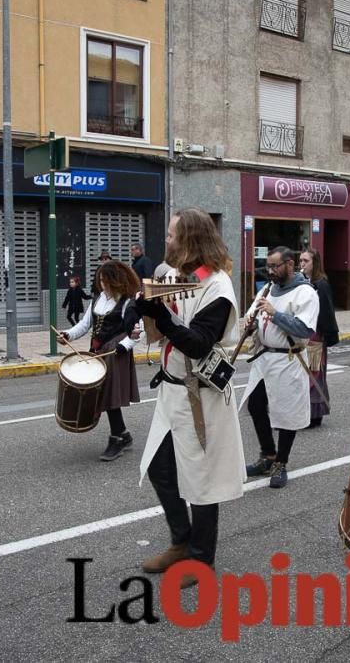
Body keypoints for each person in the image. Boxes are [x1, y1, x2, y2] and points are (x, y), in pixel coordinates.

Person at [134, 207, 246, 589]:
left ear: (190, 240)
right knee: (159, 467)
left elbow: (198, 344)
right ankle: (181, 542)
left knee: (202, 481)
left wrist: (161, 318)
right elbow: (158, 326)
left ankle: (202, 560)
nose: (165, 241)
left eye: (170, 236)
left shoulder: (218, 287)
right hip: (171, 393)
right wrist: (140, 311)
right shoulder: (171, 276)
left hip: (202, 398)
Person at [240, 247, 319, 488]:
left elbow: (305, 329)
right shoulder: (267, 289)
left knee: (286, 414)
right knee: (255, 405)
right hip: (264, 359)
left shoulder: (305, 293)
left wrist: (275, 315)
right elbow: (253, 316)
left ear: (289, 265)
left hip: (288, 360)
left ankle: (280, 463)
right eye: (269, 267)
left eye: (275, 266)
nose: (271, 271)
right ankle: (268, 454)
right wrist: (250, 325)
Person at [58, 260, 142, 461]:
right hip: (98, 351)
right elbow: (85, 324)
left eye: (105, 280)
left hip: (115, 353)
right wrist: (67, 335)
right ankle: (122, 434)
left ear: (115, 280)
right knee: (103, 394)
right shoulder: (97, 299)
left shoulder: (127, 302)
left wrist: (125, 346)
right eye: (101, 280)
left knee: (107, 395)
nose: (102, 284)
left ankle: (117, 439)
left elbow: (139, 332)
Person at [299, 247, 339, 428]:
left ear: (314, 263)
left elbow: (327, 312)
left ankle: (315, 416)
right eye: (300, 261)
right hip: (306, 335)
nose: (302, 264)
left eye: (305, 261)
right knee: (304, 374)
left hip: (316, 336)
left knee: (314, 375)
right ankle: (306, 413)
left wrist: (328, 336)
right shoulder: (304, 282)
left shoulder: (320, 284)